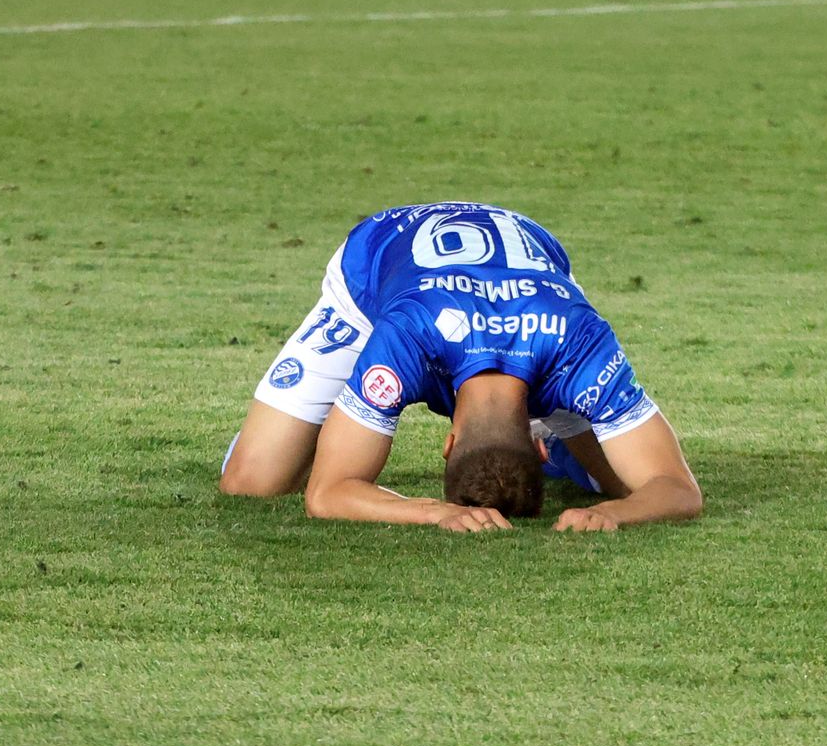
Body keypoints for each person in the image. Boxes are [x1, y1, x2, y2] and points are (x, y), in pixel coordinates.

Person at [219, 202, 700, 533]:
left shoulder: (581, 336)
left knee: (626, 486)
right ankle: (305, 425)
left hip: (532, 275)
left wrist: (615, 510)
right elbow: (325, 495)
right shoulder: (405, 333)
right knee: (253, 481)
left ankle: (565, 432)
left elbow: (677, 489)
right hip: (378, 262)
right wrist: (431, 511)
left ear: (449, 444)